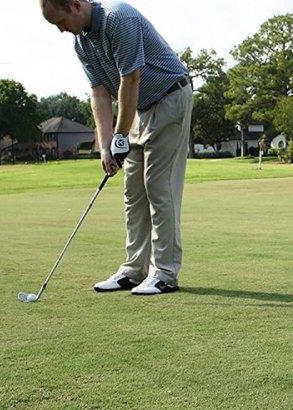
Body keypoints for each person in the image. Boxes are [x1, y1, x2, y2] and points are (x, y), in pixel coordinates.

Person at [40, 0, 193, 295]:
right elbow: (99, 93)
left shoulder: (118, 18)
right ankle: (134, 270)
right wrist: (106, 145)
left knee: (158, 186)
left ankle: (164, 272)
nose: (61, 31)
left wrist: (121, 135)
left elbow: (130, 78)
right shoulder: (82, 43)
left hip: (170, 96)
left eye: (60, 23)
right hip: (139, 108)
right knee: (133, 191)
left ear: (74, 5)